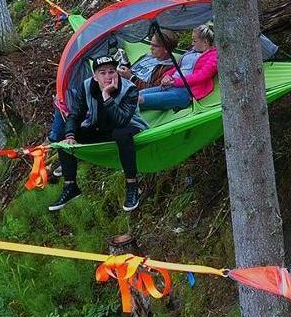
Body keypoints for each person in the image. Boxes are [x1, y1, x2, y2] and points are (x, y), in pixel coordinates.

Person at [49, 55, 147, 213]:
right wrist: (70, 136)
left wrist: (107, 96)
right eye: (102, 73)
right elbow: (75, 114)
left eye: (111, 72)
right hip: (100, 128)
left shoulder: (130, 89)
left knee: (120, 133)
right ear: (95, 76)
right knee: (63, 136)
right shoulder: (87, 86)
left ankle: (132, 184)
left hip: (129, 127)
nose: (108, 76)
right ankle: (70, 186)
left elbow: (122, 120)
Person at [138, 23, 218, 112]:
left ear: (205, 42)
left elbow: (201, 76)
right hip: (169, 86)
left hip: (184, 92)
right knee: (133, 95)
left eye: (194, 41)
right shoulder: (191, 51)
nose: (192, 43)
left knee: (140, 99)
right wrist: (167, 76)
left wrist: (175, 82)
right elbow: (177, 68)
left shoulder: (213, 56)